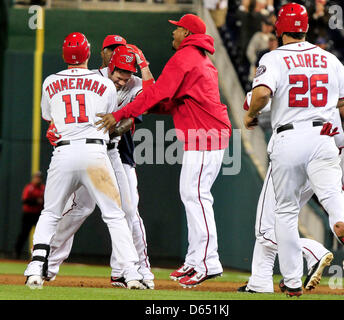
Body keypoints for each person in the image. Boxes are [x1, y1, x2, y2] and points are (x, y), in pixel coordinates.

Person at [96, 13, 232, 288]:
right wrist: (145, 90)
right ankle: (196, 260)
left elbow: (155, 94)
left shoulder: (186, 57)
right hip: (206, 134)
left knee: (196, 195)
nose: (173, 34)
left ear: (186, 31)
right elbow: (163, 100)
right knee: (192, 195)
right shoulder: (197, 58)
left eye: (176, 29)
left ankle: (208, 260)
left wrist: (122, 112)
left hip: (206, 134)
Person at [243, 3, 344, 297]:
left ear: (279, 28)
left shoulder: (274, 57)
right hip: (324, 136)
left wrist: (251, 115)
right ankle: (343, 223)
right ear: (306, 28)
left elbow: (261, 93)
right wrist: (318, 104)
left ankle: (293, 281)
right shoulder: (328, 58)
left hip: (290, 137)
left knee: (284, 213)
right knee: (333, 194)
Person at [24, 32, 143, 290]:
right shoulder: (107, 85)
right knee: (114, 215)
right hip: (96, 154)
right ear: (90, 54)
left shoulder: (49, 81)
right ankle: (131, 273)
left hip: (63, 152)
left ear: (64, 55)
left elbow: (50, 118)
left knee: (50, 212)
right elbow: (110, 120)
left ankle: (36, 266)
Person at [239, 93, 344, 294]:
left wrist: (251, 112)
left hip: (289, 157)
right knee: (275, 223)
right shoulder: (326, 90)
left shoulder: (287, 76)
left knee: (264, 230)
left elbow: (253, 99)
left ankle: (313, 252)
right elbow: (341, 141)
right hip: (321, 162)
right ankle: (259, 281)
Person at [14, 172, 45, 259]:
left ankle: (40, 255)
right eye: (36, 177)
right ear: (33, 178)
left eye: (39, 178)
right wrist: (36, 201)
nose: (38, 179)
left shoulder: (43, 188)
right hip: (28, 214)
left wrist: (40, 202)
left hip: (38, 215)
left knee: (41, 234)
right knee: (23, 234)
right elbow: (24, 201)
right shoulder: (29, 187)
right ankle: (17, 253)